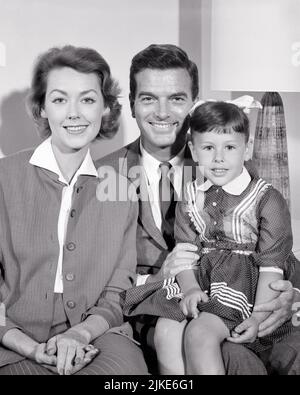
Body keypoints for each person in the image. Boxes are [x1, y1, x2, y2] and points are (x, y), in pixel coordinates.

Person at [98, 44, 300, 375]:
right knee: (233, 359)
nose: (162, 112)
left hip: (232, 300)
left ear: (194, 103)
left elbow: (270, 245)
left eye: (176, 99)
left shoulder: (224, 162)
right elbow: (89, 271)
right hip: (152, 311)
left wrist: (287, 291)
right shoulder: (102, 176)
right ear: (131, 106)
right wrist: (160, 277)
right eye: (148, 98)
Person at [0, 45, 148, 375]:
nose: (74, 113)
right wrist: (30, 348)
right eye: (59, 99)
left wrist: (79, 333)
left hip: (97, 333)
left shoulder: (122, 189)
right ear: (41, 109)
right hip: (11, 340)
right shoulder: (4, 177)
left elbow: (117, 291)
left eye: (87, 99)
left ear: (106, 108)